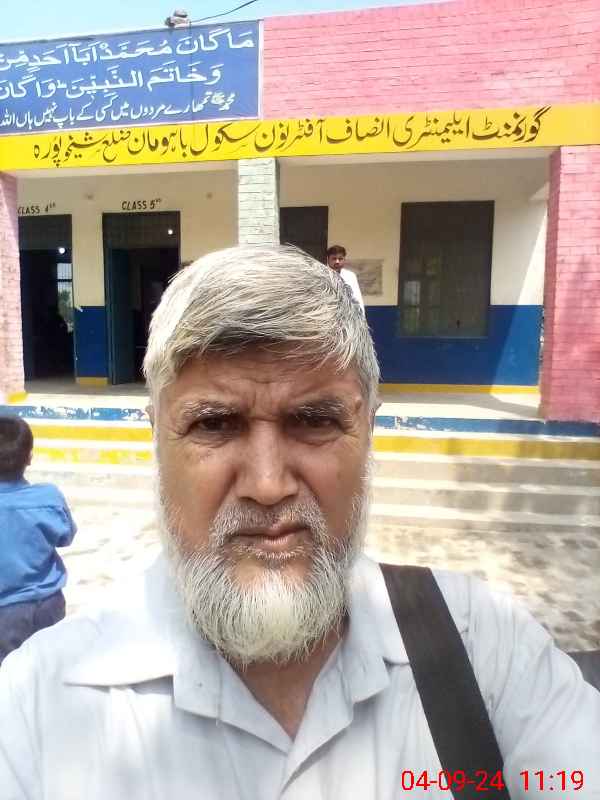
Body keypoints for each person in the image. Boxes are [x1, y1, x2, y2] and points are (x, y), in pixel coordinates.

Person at [0, 245, 598, 800]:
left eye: (314, 421)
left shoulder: (485, 649)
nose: (267, 485)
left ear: (369, 431)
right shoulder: (36, 706)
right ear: (156, 437)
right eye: (214, 424)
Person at [0, 416, 76, 665]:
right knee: (50, 669)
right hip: (49, 603)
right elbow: (66, 536)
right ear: (29, 457)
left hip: (5, 611)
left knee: (9, 677)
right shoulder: (48, 497)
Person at [326, 243, 365, 310]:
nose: (337, 261)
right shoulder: (321, 275)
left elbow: (357, 298)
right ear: (328, 259)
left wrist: (361, 315)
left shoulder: (350, 276)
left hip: (346, 313)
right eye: (334, 258)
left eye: (340, 259)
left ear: (344, 260)